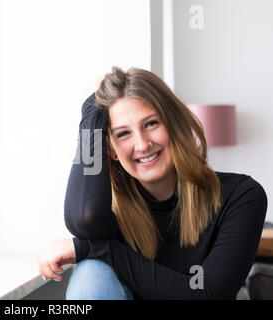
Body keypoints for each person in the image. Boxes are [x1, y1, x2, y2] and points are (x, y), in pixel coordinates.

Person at [36, 66, 268, 300]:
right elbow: (83, 219)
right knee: (91, 272)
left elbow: (206, 294)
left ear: (173, 124)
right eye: (123, 133)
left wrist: (93, 248)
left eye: (151, 124)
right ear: (112, 151)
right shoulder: (107, 217)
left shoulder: (242, 196)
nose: (143, 144)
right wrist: (90, 112)